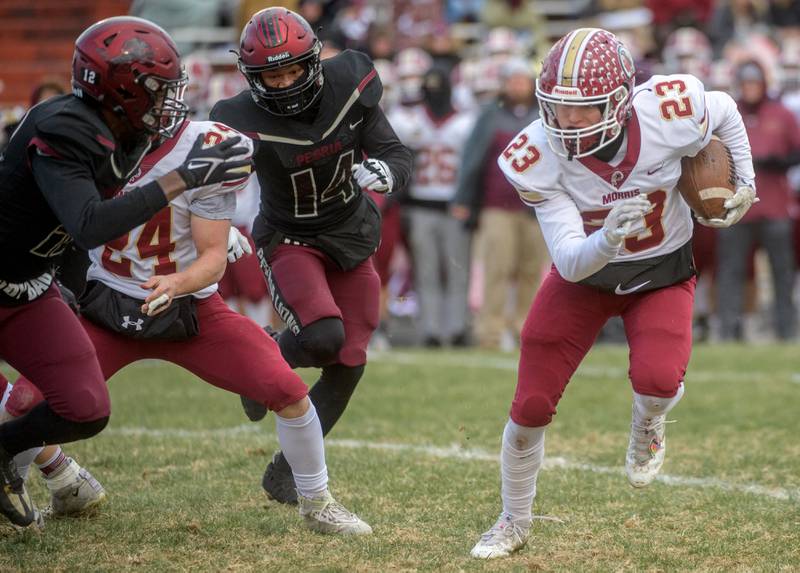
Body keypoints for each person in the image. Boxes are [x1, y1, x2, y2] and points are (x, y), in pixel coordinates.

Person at [470, 28, 756, 559]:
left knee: (658, 384)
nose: (566, 122)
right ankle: (512, 519)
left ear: (622, 100)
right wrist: (606, 238)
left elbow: (725, 109)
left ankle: (648, 421)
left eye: (584, 109)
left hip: (662, 269)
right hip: (586, 280)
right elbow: (571, 263)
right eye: (556, 108)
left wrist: (746, 178)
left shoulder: (669, 110)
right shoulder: (535, 153)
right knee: (530, 403)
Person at [8, 118, 372, 535]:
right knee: (24, 401)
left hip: (191, 310)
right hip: (105, 306)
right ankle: (16, 492)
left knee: (288, 391)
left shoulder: (206, 146)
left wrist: (179, 281)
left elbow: (213, 256)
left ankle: (317, 502)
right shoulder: (81, 141)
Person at [0, 16, 250, 530]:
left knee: (86, 407)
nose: (168, 99)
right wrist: (185, 178)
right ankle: (50, 470)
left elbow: (82, 228)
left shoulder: (125, 131)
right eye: (159, 88)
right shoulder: (62, 128)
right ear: (121, 91)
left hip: (28, 286)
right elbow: (89, 223)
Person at [210, 7, 412, 505]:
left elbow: (396, 150)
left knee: (349, 360)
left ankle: (290, 469)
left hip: (350, 231)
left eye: (291, 70)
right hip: (290, 237)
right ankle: (262, 357)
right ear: (251, 77)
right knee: (323, 336)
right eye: (270, 75)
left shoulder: (351, 83)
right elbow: (207, 182)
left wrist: (390, 173)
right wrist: (216, 228)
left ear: (314, 62)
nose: (281, 83)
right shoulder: (238, 120)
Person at [452, 58, 548, 352]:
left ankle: (524, 330)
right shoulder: (490, 116)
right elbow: (472, 158)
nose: (518, 85)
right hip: (498, 207)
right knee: (497, 270)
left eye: (522, 80)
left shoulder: (542, 114)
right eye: (513, 80)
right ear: (504, 84)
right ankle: (490, 333)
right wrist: (464, 198)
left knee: (532, 271)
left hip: (537, 208)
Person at [389, 65, 476, 347]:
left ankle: (457, 328)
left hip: (454, 206)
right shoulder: (408, 120)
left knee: (457, 269)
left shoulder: (466, 121)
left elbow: (474, 169)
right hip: (420, 205)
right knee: (426, 270)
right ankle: (431, 331)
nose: (435, 94)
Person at [716, 60, 799, 341]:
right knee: (730, 270)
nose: (751, 88)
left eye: (755, 83)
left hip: (774, 206)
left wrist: (776, 162)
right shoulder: (728, 113)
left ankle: (786, 331)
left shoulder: (782, 114)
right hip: (738, 209)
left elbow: (796, 152)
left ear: (763, 84)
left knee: (782, 272)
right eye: (746, 83)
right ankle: (728, 331)